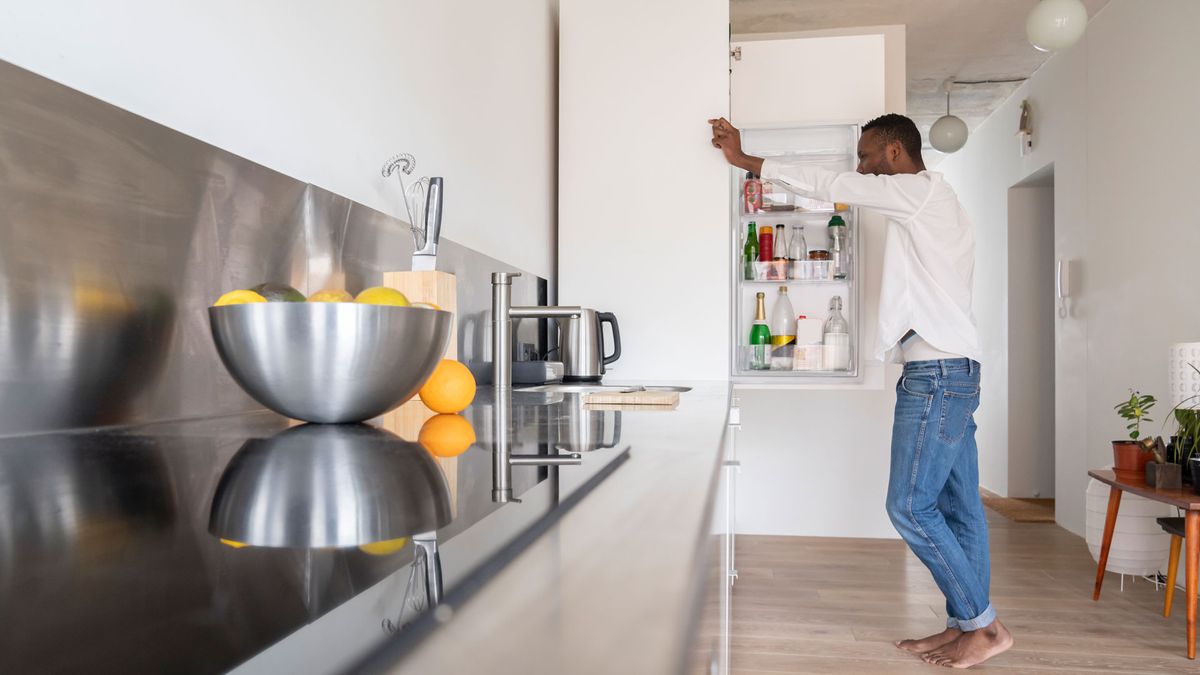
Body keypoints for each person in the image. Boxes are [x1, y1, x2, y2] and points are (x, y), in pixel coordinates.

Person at [709, 114, 1013, 669]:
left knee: (908, 506)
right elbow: (844, 183)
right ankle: (963, 625)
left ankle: (986, 627)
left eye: (869, 155)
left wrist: (748, 161)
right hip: (953, 372)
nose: (861, 165)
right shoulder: (933, 202)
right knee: (960, 507)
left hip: (938, 376)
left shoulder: (918, 192)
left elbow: (833, 184)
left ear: (896, 153)